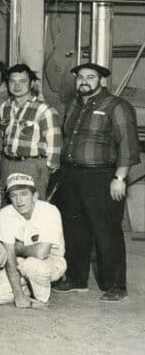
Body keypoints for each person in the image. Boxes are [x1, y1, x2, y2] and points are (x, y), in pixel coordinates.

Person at [55, 62, 140, 301]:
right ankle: (77, 279)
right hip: (72, 175)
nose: (84, 81)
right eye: (80, 77)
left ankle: (116, 285)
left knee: (106, 231)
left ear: (101, 81)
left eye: (90, 77)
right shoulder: (73, 104)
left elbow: (128, 145)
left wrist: (119, 178)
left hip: (102, 176)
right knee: (74, 229)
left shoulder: (117, 106)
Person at [0, 173, 66, 309]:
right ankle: (26, 286)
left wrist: (19, 248)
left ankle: (42, 300)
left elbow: (42, 253)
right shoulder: (6, 213)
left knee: (33, 266)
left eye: (24, 194)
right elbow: (10, 258)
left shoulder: (49, 211)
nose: (19, 200)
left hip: (51, 261)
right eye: (13, 195)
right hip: (19, 261)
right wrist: (18, 295)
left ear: (34, 196)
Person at [0, 64, 61, 195]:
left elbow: (55, 146)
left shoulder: (44, 110)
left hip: (32, 166)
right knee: (7, 206)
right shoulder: (4, 107)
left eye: (22, 81)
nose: (17, 86)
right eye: (12, 81)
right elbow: (6, 136)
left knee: (33, 208)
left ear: (32, 83)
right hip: (7, 164)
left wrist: (44, 171)